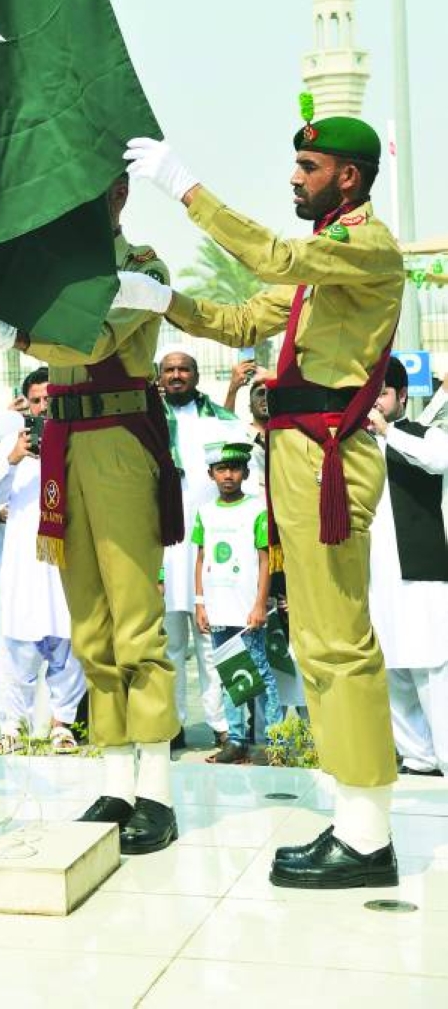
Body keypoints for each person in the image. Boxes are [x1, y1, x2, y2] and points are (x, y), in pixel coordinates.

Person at [122, 109, 404, 889]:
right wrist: (160, 297)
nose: (292, 177)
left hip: (328, 458)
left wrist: (185, 188)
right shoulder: (322, 271)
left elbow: (272, 254)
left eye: (307, 168)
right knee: (317, 639)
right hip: (297, 456)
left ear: (347, 176)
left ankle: (369, 834)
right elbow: (243, 316)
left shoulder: (365, 245)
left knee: (339, 641)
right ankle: (355, 820)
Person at [14, 173, 184, 856]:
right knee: (91, 625)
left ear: (118, 194)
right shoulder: (56, 274)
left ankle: (158, 792)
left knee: (135, 623)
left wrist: (23, 332)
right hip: (64, 444)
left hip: (117, 441)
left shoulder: (143, 268)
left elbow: (92, 339)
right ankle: (117, 778)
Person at [0, 367, 86, 753]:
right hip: (24, 564)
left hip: (66, 559)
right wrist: (12, 457)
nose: (44, 406)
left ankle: (63, 722)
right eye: (37, 400)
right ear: (26, 402)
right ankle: (12, 726)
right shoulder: (12, 441)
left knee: (68, 640)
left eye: (50, 398)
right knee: (17, 646)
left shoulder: (77, 436)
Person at [368, 357, 448, 776]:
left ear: (401, 396)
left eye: (382, 393)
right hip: (374, 582)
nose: (375, 403)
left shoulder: (425, 435)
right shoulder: (353, 446)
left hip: (422, 578)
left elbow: (437, 461)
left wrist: (388, 432)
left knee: (434, 673)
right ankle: (418, 759)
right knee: (392, 671)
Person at [157, 351, 232, 751]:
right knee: (169, 645)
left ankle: (223, 725)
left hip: (209, 547)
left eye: (183, 369)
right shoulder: (148, 420)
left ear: (197, 375)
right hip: (165, 548)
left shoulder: (218, 419)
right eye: (169, 370)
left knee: (210, 643)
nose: (176, 375)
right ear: (160, 378)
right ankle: (173, 725)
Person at [194, 440, 283, 763]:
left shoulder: (257, 509)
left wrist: (260, 604)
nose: (228, 475)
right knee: (231, 671)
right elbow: (201, 557)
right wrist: (200, 602)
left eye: (234, 469)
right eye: (221, 470)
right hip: (218, 606)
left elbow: (265, 560)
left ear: (245, 472)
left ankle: (274, 739)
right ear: (211, 474)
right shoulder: (205, 512)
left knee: (259, 669)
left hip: (247, 606)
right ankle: (236, 738)